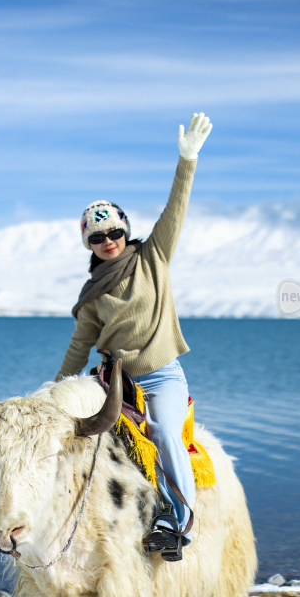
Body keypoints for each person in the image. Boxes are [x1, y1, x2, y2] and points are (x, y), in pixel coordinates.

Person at [55, 112, 213, 561]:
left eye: (115, 232)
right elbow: (78, 345)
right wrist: (55, 390)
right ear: (89, 244)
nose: (108, 241)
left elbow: (175, 208)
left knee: (164, 432)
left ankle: (179, 521)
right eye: (98, 236)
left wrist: (187, 161)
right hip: (114, 380)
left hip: (161, 376)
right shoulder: (92, 295)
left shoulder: (153, 257)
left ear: (126, 231)